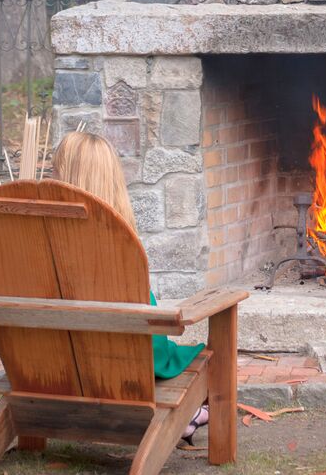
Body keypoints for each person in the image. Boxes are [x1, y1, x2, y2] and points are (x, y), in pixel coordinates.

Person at [51, 131, 209, 443]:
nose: (48, 176)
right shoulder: (120, 251)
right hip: (120, 368)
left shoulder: (34, 241)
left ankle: (189, 415)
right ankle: (189, 414)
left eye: (53, 170)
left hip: (51, 366)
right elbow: (149, 338)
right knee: (186, 355)